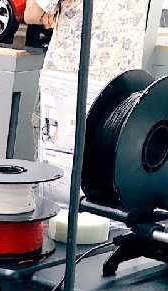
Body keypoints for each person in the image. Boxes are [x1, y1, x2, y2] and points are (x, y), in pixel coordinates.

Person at [24, 0, 147, 205]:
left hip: (69, 80)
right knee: (103, 179)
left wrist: (49, 15)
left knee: (57, 183)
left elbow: (32, 12)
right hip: (123, 83)